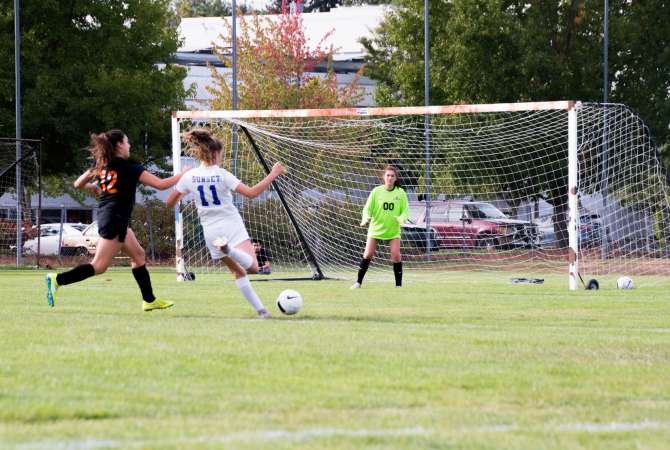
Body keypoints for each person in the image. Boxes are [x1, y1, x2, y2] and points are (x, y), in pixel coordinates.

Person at [45, 129, 187, 311]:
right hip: (114, 218)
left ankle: (149, 300)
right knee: (99, 266)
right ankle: (57, 280)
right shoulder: (129, 167)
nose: (129, 146)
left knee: (139, 256)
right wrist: (183, 174)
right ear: (120, 145)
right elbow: (160, 185)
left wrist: (93, 186)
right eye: (127, 142)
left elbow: (77, 184)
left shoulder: (102, 165)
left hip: (112, 217)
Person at [166, 129, 286, 318]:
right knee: (253, 267)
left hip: (211, 231)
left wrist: (186, 193)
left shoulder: (189, 176)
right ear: (215, 153)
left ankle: (262, 311)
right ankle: (229, 249)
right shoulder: (222, 174)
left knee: (238, 272)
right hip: (231, 223)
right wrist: (274, 173)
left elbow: (170, 202)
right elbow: (252, 193)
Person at [351, 164, 409, 289]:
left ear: (395, 178)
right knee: (368, 254)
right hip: (376, 229)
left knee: (396, 255)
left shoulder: (401, 193)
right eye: (388, 175)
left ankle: (398, 286)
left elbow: (405, 211)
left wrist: (401, 218)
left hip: (393, 230)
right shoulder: (376, 191)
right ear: (383, 177)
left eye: (392, 176)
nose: (390, 178)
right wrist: (365, 218)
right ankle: (358, 282)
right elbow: (367, 208)